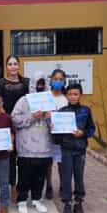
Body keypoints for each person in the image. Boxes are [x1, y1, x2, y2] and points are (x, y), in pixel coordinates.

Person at [11, 73, 53, 213]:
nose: (40, 86)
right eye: (37, 83)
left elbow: (57, 125)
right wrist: (32, 117)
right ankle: (21, 200)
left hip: (44, 145)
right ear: (32, 84)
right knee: (24, 175)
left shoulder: (50, 101)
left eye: (42, 84)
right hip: (26, 146)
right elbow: (15, 119)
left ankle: (37, 199)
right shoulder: (23, 100)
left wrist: (50, 118)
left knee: (40, 175)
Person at [56, 83, 95, 213]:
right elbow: (56, 134)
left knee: (79, 177)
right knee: (66, 177)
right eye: (70, 94)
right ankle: (67, 204)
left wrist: (82, 133)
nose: (73, 97)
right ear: (66, 95)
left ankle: (78, 204)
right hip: (66, 149)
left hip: (80, 150)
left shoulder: (86, 110)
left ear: (80, 95)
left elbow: (91, 129)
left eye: (75, 94)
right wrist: (55, 128)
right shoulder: (61, 111)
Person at [0, 55, 30, 202]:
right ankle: (12, 187)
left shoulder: (27, 82)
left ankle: (23, 187)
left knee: (23, 158)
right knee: (9, 157)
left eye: (15, 64)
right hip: (7, 125)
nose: (13, 67)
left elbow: (31, 101)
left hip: (24, 125)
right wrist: (10, 121)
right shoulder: (0, 83)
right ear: (6, 67)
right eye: (10, 64)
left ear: (19, 66)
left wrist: (22, 120)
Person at [45, 69, 68, 200]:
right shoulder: (46, 96)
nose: (58, 81)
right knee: (48, 163)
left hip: (61, 137)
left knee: (61, 163)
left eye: (60, 79)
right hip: (47, 135)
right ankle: (48, 186)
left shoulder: (66, 99)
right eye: (56, 79)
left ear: (64, 82)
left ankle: (63, 186)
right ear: (51, 80)